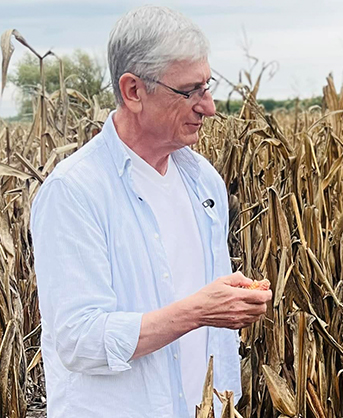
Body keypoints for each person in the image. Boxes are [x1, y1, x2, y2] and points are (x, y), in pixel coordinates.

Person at [30, 6, 272, 418]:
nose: (209, 106)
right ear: (133, 92)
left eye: (207, 86)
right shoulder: (73, 193)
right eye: (189, 91)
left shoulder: (203, 180)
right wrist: (197, 311)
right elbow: (79, 340)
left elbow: (200, 299)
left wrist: (229, 300)